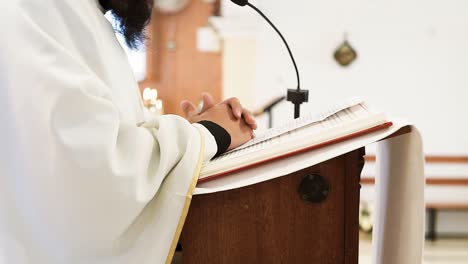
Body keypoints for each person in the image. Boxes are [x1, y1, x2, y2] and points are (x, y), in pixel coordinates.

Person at [0, 0, 256, 263]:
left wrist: (193, 136)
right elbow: (91, 172)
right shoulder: (38, 10)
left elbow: (118, 133)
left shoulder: (84, 15)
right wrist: (209, 133)